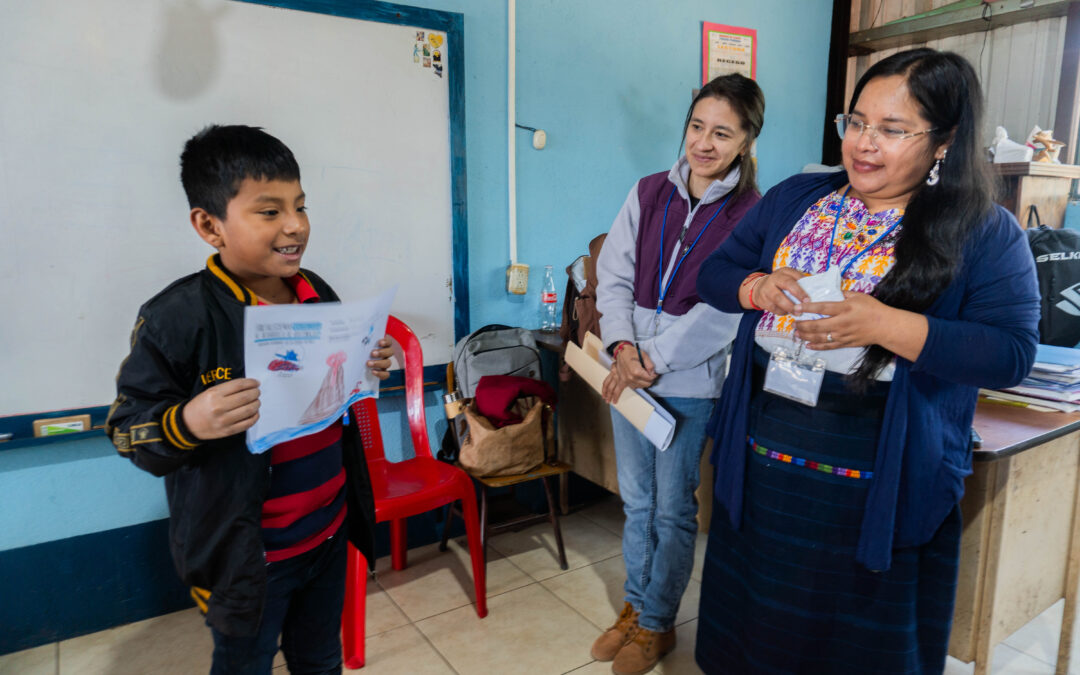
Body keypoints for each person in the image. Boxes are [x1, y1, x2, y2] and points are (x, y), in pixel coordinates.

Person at [694, 49, 1040, 674]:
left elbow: (1011, 353)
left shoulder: (984, 231)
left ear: (945, 141)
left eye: (893, 129)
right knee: (756, 623)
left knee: (853, 643)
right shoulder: (799, 197)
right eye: (855, 122)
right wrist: (758, 288)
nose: (864, 144)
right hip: (766, 456)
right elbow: (714, 272)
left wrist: (888, 324)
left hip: (878, 474)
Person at [105, 125, 394, 675]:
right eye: (269, 211)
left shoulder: (317, 292)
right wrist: (188, 421)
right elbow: (127, 430)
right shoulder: (178, 317)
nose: (296, 226)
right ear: (209, 225)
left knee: (320, 658)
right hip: (248, 558)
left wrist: (362, 365)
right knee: (245, 663)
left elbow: (324, 389)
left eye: (301, 206)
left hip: (327, 532)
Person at [592, 73, 765, 675]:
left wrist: (654, 360)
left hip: (688, 383)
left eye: (723, 133)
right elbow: (610, 275)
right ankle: (634, 609)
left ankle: (659, 623)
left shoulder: (752, 215)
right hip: (627, 370)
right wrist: (622, 346)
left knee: (672, 509)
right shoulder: (646, 193)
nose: (704, 143)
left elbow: (727, 311)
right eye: (697, 127)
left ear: (745, 142)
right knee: (637, 503)